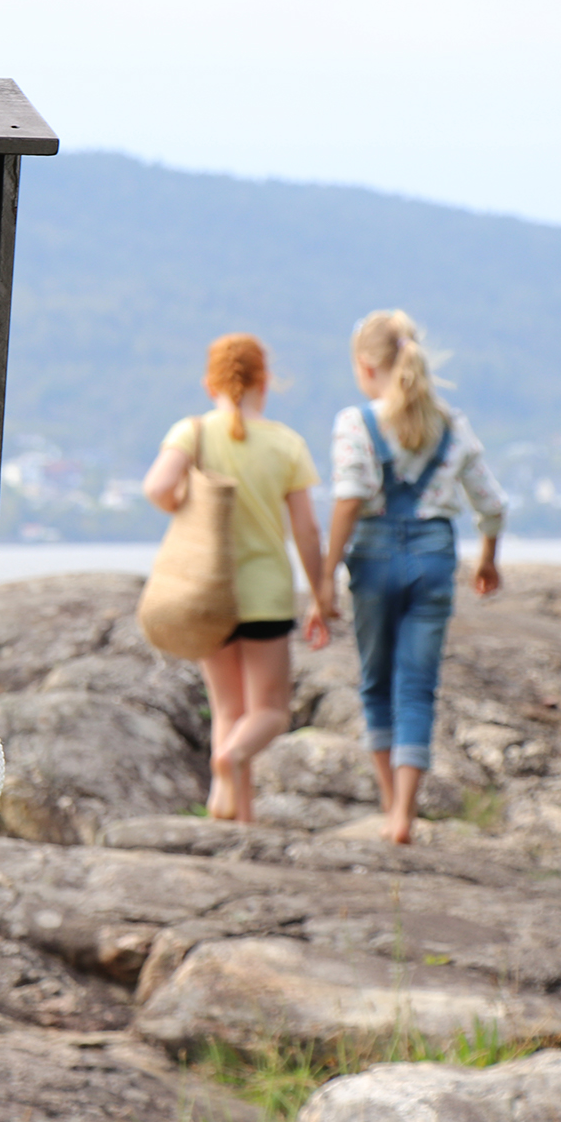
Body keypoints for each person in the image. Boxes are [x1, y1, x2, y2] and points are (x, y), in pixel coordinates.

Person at [306, 310, 507, 844]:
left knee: (376, 683)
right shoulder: (451, 424)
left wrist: (325, 576)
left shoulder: (356, 423)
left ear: (366, 365)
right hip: (434, 556)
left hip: (372, 556)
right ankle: (405, 816)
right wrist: (488, 558)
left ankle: (388, 802)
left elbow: (349, 498)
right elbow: (491, 502)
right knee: (417, 687)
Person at [144, 334, 329, 823]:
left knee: (228, 710)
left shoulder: (193, 433)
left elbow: (158, 486)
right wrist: (320, 590)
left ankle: (231, 818)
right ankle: (231, 763)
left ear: (210, 383)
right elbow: (307, 531)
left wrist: (185, 504)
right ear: (265, 381)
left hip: (209, 593)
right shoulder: (286, 444)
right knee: (269, 712)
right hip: (265, 593)